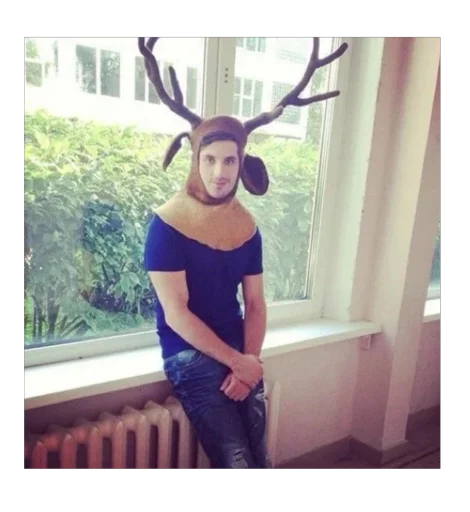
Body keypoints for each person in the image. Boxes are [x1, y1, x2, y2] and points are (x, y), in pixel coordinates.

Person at [139, 35, 348, 470]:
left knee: (259, 455)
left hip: (240, 349)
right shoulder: (166, 226)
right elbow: (176, 313)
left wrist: (249, 362)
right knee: (236, 460)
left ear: (242, 164)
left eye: (230, 161)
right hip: (188, 353)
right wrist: (239, 362)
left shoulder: (247, 229)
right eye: (210, 159)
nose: (219, 172)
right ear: (195, 160)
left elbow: (255, 303)